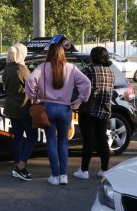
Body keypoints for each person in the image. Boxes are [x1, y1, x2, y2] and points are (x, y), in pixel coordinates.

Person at [25, 43, 91, 186]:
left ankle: (54, 176)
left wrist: (33, 96)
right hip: (65, 108)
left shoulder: (42, 68)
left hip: (47, 108)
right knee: (63, 142)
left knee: (51, 141)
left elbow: (30, 80)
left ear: (49, 53)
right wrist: (80, 100)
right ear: (62, 53)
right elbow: (86, 83)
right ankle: (63, 176)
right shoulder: (71, 68)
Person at [73, 47, 115, 180]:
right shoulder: (111, 72)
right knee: (102, 139)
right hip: (104, 110)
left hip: (88, 110)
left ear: (93, 58)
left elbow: (76, 84)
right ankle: (104, 169)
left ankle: (84, 170)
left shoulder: (88, 70)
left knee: (88, 140)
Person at [2, 43, 37, 181]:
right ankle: (21, 166)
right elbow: (32, 86)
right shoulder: (21, 69)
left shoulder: (6, 69)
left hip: (11, 107)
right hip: (23, 107)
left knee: (17, 136)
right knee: (32, 137)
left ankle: (17, 162)